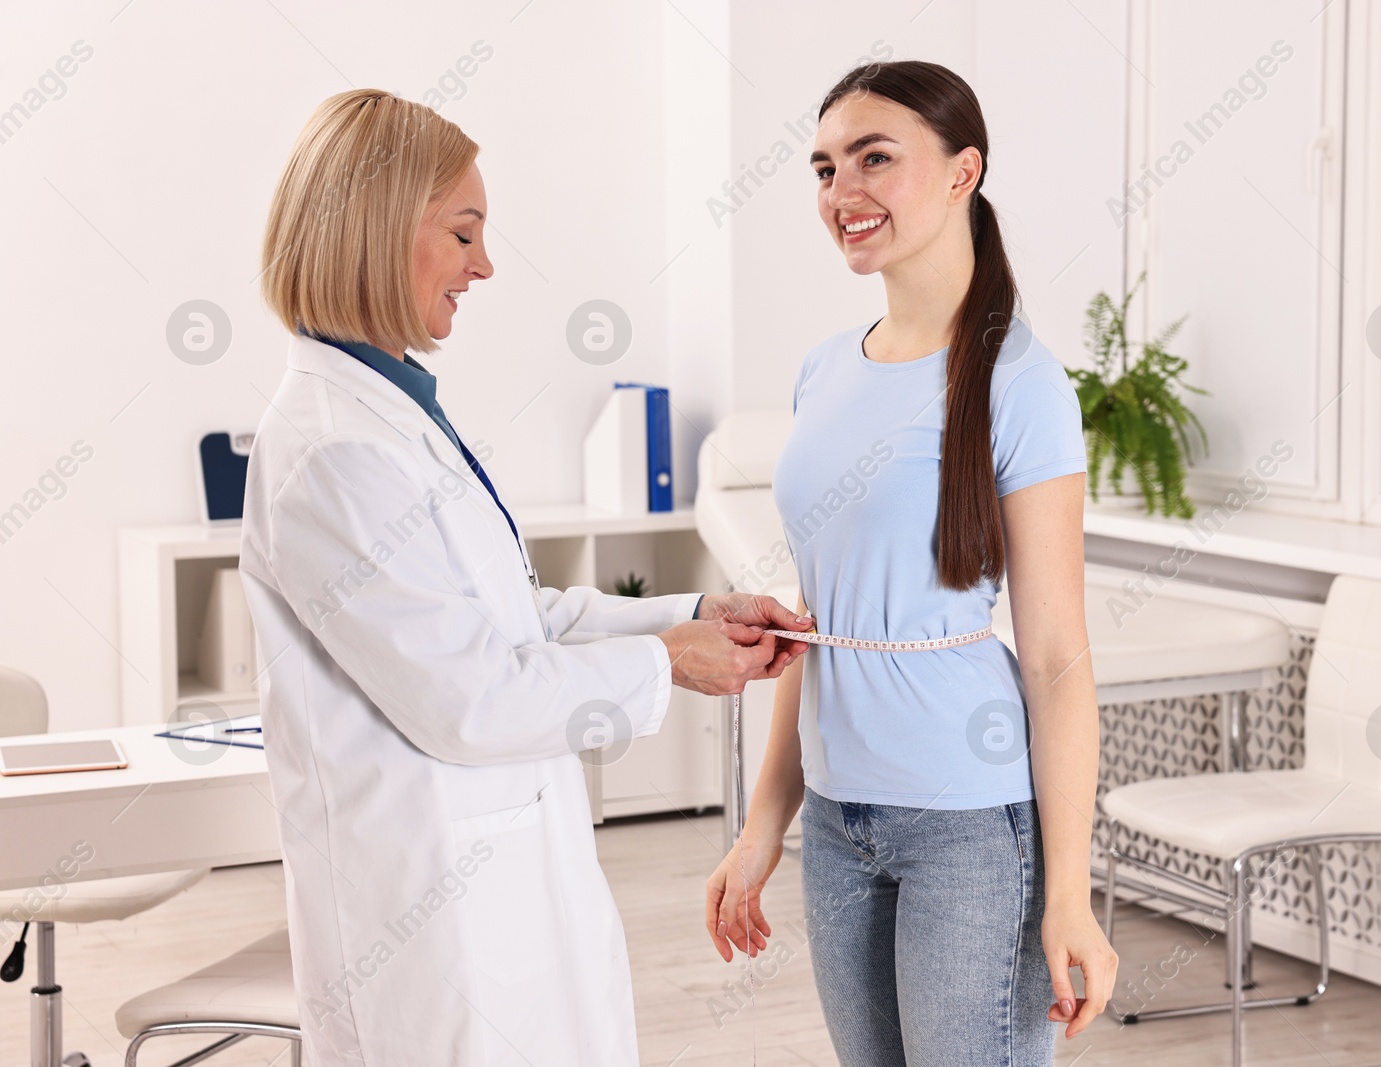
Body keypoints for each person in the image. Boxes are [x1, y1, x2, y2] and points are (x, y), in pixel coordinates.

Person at [239, 88, 808, 1067]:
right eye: (463, 232)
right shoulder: (335, 451)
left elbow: (507, 616)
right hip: (432, 914)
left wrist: (691, 610)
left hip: (496, 878)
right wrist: (667, 661)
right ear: (376, 234)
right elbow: (468, 697)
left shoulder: (390, 410)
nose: (485, 264)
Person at [703, 61, 1116, 1065]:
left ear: (960, 171)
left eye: (874, 159)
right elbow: (820, 617)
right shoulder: (825, 369)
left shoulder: (1023, 383)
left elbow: (1057, 656)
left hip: (970, 828)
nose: (841, 193)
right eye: (823, 167)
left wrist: (1068, 891)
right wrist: (766, 822)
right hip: (840, 823)